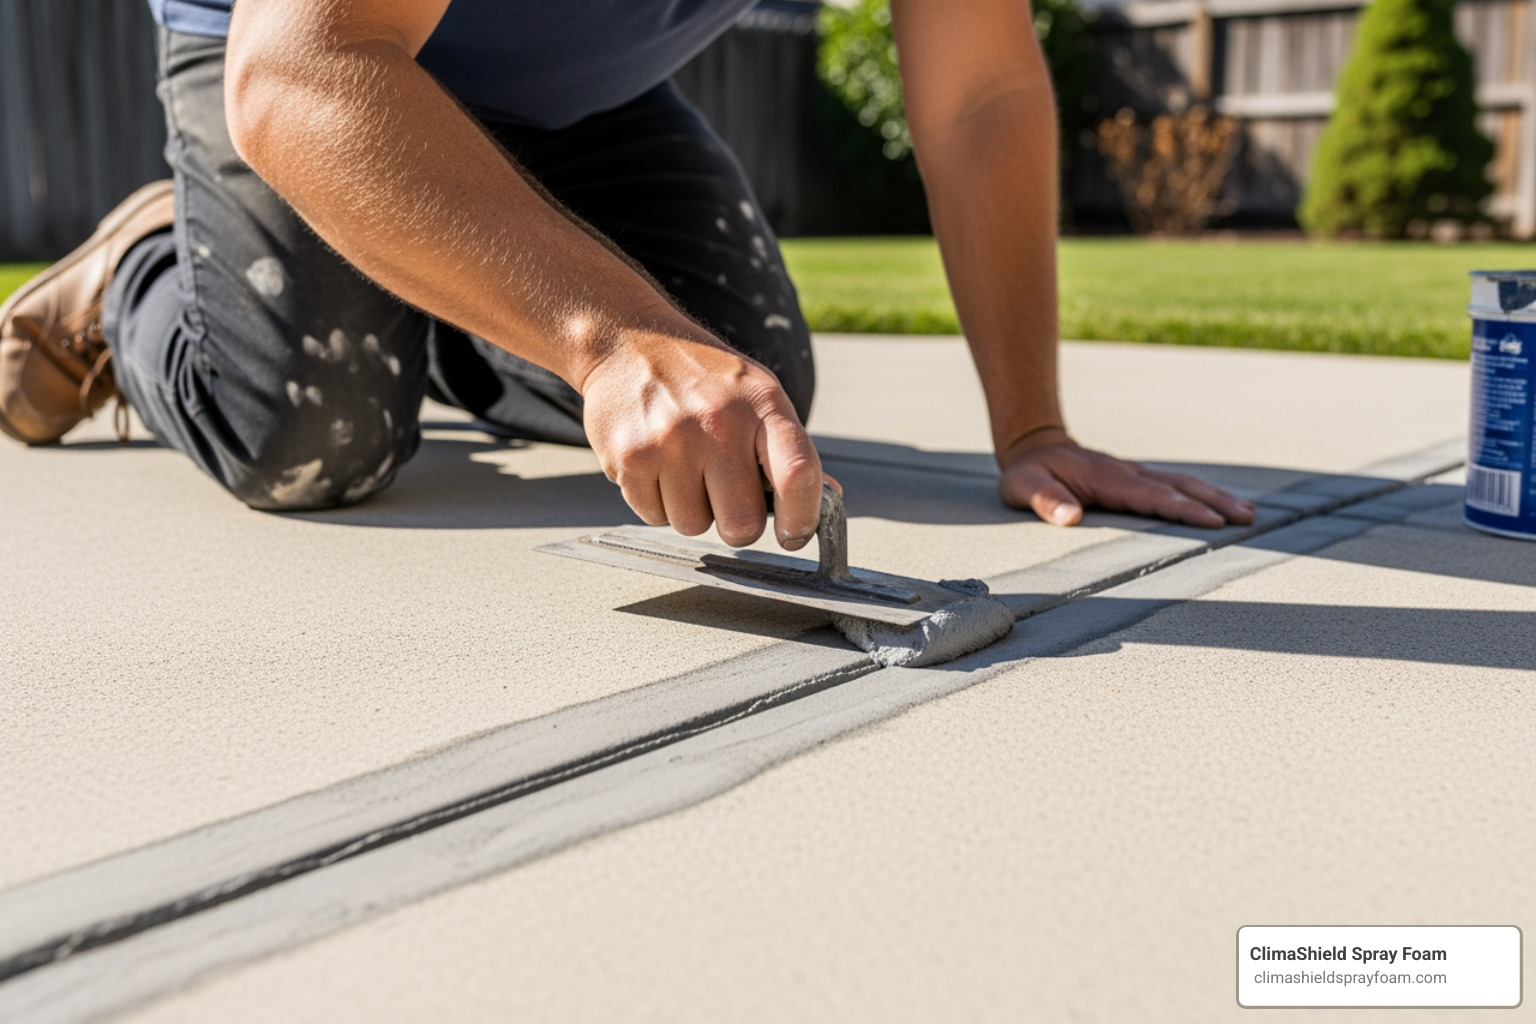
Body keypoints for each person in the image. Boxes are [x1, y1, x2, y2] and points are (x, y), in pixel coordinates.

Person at [0, 0, 1254, 552]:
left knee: (747, 385)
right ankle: (143, 271)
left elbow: (978, 93)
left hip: (570, 99)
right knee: (312, 436)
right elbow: (302, 72)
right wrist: (603, 338)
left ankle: (415, 275)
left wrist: (1032, 428)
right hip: (308, 49)